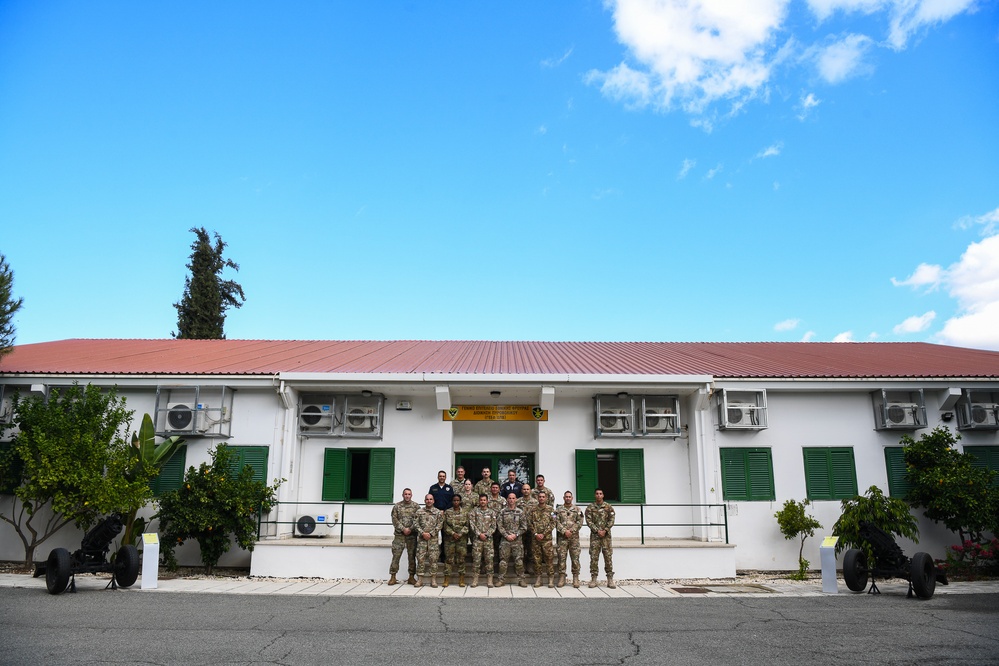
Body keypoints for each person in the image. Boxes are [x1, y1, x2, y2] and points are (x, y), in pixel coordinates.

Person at [388, 488, 419, 585]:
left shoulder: (416, 506)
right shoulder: (397, 506)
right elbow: (394, 519)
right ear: (402, 495)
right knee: (396, 555)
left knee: (412, 556)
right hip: (399, 535)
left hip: (411, 535)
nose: (407, 496)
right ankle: (393, 576)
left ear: (411, 495)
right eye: (405, 494)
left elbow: (418, 520)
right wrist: (403, 529)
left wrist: (410, 529)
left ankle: (411, 577)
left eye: (409, 494)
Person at [585, 488, 616, 588]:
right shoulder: (590, 508)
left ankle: (610, 579)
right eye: (597, 494)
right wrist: (597, 531)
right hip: (595, 537)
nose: (598, 495)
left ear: (603, 495)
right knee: (594, 557)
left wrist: (605, 530)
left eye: (600, 494)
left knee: (608, 557)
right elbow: (588, 521)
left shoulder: (608, 507)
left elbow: (612, 520)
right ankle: (594, 579)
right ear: (595, 495)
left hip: (606, 537)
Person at [496, 493, 527, 587]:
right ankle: (501, 580)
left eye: (513, 498)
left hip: (517, 540)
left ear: (516, 499)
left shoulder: (520, 512)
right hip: (505, 540)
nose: (511, 500)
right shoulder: (502, 512)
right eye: (509, 498)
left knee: (519, 561)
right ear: (507, 499)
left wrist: (516, 534)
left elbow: (524, 527)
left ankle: (521, 580)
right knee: (503, 562)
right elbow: (499, 526)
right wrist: (506, 535)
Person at [528, 491, 557, 588]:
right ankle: (538, 578)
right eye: (539, 497)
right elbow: (529, 523)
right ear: (537, 498)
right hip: (536, 539)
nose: (541, 498)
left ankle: (551, 578)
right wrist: (536, 534)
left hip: (547, 539)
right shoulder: (532, 510)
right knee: (537, 560)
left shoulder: (551, 510)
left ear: (546, 498)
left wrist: (544, 534)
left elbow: (553, 523)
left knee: (549, 559)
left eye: (543, 497)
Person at [555, 490, 584, 588]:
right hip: (562, 538)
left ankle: (575, 578)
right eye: (566, 497)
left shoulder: (577, 509)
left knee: (575, 558)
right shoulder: (558, 510)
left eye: (569, 497)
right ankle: (562, 577)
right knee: (561, 559)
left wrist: (571, 531)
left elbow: (580, 522)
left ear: (572, 498)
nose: (567, 498)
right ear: (563, 498)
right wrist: (564, 531)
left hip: (574, 538)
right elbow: (555, 521)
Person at [468, 493, 497, 588]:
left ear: (487, 501)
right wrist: (479, 534)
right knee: (476, 560)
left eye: (484, 500)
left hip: (488, 540)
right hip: (477, 540)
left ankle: (490, 580)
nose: (483, 502)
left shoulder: (492, 512)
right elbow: (472, 524)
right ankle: (475, 579)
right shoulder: (474, 512)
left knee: (489, 560)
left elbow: (494, 526)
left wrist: (487, 534)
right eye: (481, 500)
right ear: (479, 501)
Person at [414, 493, 443, 588]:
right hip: (422, 540)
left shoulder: (438, 512)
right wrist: (423, 533)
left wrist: (431, 534)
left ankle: (433, 580)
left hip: (433, 540)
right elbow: (415, 523)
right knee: (420, 559)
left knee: (433, 560)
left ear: (433, 501)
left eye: (431, 499)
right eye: (427, 499)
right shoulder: (419, 512)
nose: (429, 501)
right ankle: (420, 580)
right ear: (424, 501)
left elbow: (440, 524)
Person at [442, 494, 469, 587]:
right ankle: (446, 579)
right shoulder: (447, 512)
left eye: (458, 500)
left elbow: (467, 525)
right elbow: (445, 525)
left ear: (460, 501)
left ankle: (461, 579)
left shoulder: (465, 512)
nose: (456, 502)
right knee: (449, 559)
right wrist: (453, 533)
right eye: (454, 500)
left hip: (461, 540)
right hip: (450, 539)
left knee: (461, 559)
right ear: (452, 501)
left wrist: (460, 533)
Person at [517, 483, 538, 574]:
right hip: (520, 529)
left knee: (530, 548)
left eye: (527, 489)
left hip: (531, 529)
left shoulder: (535, 502)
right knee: (520, 549)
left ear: (530, 491)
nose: (526, 491)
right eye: (524, 489)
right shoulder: (517, 502)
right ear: (521, 491)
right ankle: (520, 567)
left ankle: (529, 566)